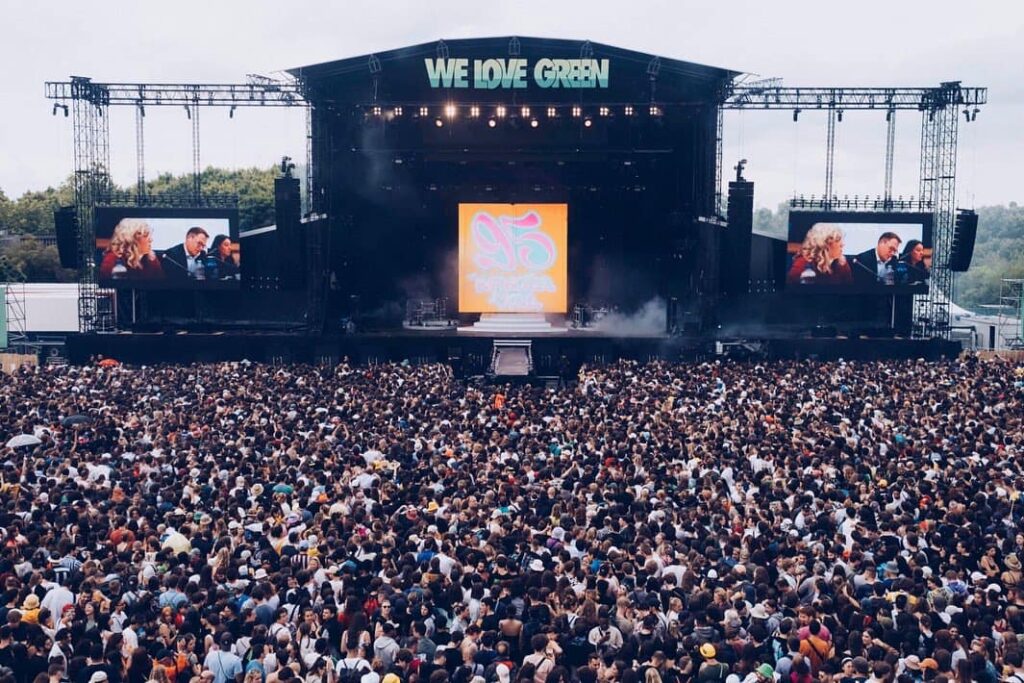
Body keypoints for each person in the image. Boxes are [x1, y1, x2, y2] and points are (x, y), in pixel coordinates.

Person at [786, 224, 853, 286]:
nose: (842, 244)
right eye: (838, 240)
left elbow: (848, 290)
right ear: (824, 244)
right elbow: (790, 291)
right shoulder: (803, 262)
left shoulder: (842, 263)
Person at [98, 219, 165, 281]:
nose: (151, 240)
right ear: (132, 239)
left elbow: (160, 284)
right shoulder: (112, 259)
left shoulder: (151, 258)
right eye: (145, 236)